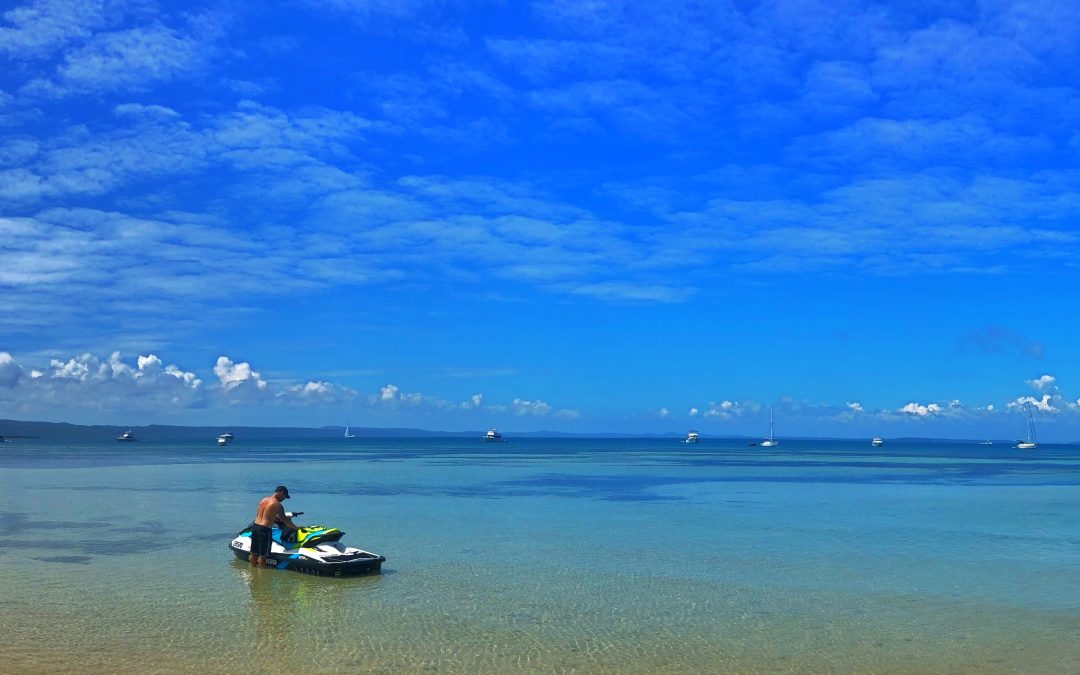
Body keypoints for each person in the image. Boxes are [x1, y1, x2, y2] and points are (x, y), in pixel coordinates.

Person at [250, 485, 298, 567]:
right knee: (263, 556)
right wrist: (297, 528)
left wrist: (274, 518)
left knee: (253, 553)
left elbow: (259, 514)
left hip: (255, 527)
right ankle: (261, 577)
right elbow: (286, 521)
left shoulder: (263, 500)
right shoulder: (278, 505)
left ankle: (253, 574)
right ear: (281, 492)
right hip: (264, 530)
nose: (284, 499)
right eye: (284, 497)